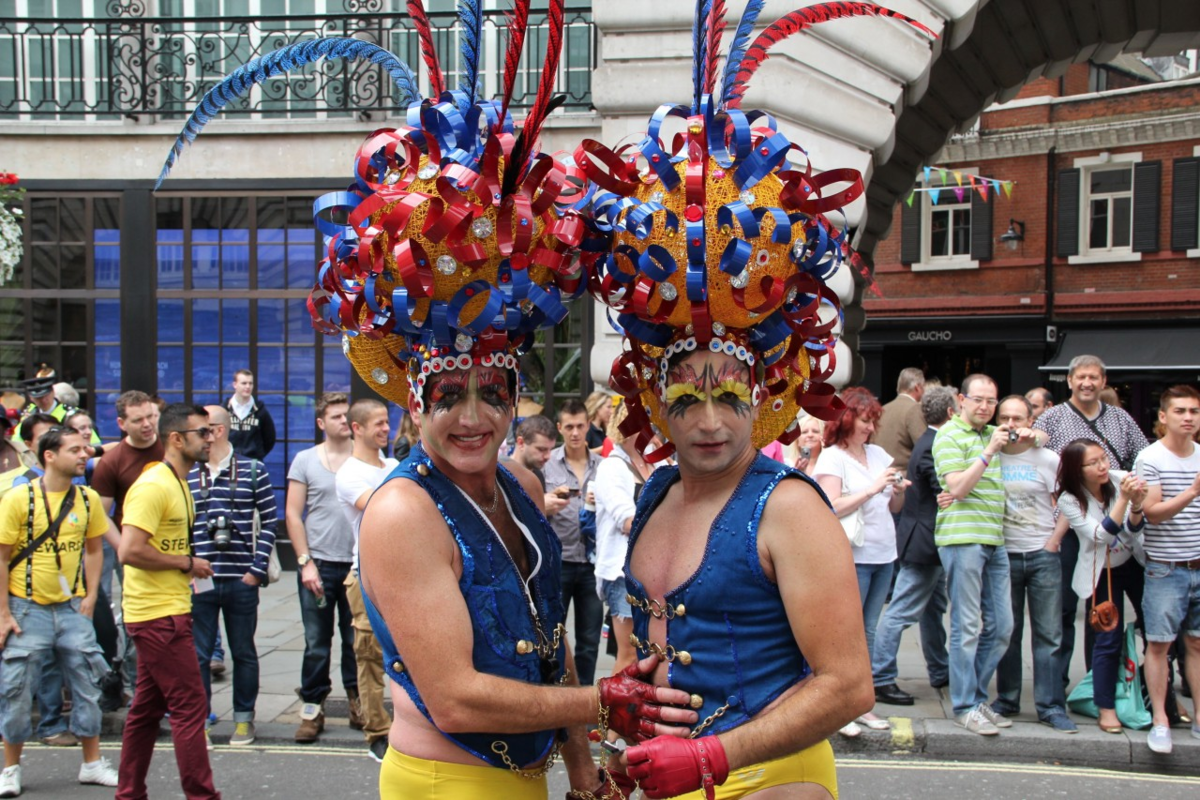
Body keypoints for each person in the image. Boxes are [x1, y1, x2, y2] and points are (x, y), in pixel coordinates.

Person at [0, 427, 119, 795]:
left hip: (71, 608)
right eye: (74, 450)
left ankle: (92, 764)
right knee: (17, 691)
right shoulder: (19, 499)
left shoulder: (86, 499)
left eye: (85, 449)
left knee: (87, 684)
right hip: (27, 608)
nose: (84, 455)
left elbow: (94, 549)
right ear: (48, 456)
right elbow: (2, 557)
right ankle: (10, 770)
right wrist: (4, 613)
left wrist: (90, 596)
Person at [116, 404, 220, 800]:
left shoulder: (179, 482)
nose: (210, 439)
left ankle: (129, 793)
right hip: (158, 617)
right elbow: (129, 551)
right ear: (176, 439)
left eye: (210, 431)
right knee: (190, 708)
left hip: (166, 612)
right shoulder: (154, 485)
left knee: (145, 712)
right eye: (202, 433)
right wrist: (186, 563)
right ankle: (202, 795)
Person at [1035, 355, 1149, 690]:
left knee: (1103, 610)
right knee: (1065, 609)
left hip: (1115, 525)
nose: (1087, 383)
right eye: (1081, 377)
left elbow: (1140, 456)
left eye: (1094, 378)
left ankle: (1096, 681)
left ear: (1103, 382)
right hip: (1071, 524)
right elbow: (1034, 449)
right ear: (1069, 380)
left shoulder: (1120, 418)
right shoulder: (1052, 417)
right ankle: (1057, 682)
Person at [814, 386, 907, 735]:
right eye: (865, 421)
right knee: (846, 634)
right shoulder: (832, 457)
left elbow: (893, 508)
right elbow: (830, 505)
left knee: (868, 631)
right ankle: (842, 707)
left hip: (884, 554)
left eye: (873, 422)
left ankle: (861, 705)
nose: (870, 428)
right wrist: (872, 489)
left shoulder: (880, 454)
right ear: (847, 418)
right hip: (852, 556)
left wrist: (896, 492)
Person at [187, 405, 278, 747]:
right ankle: (201, 722)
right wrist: (186, 565)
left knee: (243, 652)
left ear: (218, 431)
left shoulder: (253, 470)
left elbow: (269, 521)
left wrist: (256, 571)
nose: (196, 436)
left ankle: (244, 720)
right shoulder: (188, 474)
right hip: (200, 580)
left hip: (241, 578)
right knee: (197, 656)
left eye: (201, 430)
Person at [933, 374, 1015, 736]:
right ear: (961, 400)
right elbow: (959, 488)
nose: (985, 407)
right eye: (978, 400)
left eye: (991, 401)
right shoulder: (949, 435)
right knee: (965, 626)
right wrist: (989, 452)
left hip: (994, 539)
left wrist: (1025, 434)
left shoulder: (991, 432)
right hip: (962, 538)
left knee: (1002, 627)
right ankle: (965, 705)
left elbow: (1039, 437)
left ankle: (977, 699)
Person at [991, 395, 1078, 733]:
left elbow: (1070, 500)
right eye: (1006, 418)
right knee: (1007, 632)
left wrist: (1054, 540)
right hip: (1004, 554)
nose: (1011, 425)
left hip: (1042, 554)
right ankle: (1008, 699)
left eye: (1018, 418)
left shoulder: (1047, 458)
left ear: (1030, 421)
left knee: (1049, 634)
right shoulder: (990, 454)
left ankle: (1050, 706)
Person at [1057, 438, 1148, 735]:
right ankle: (1105, 705)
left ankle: (1152, 697)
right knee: (1107, 639)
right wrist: (1124, 499)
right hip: (1101, 572)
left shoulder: (1122, 478)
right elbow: (1100, 536)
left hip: (1133, 564)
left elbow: (1135, 528)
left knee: (1156, 631)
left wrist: (1136, 504)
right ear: (1076, 469)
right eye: (1093, 462)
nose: (1103, 466)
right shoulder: (1069, 499)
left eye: (1104, 459)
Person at [285, 392, 361, 743]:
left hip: (357, 567)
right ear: (321, 423)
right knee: (317, 642)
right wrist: (305, 563)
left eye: (347, 415)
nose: (343, 421)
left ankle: (358, 703)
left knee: (355, 639)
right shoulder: (305, 460)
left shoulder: (365, 460)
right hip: (319, 565)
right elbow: (292, 514)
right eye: (336, 417)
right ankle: (312, 709)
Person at [872, 386, 956, 706]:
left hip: (924, 539)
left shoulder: (929, 442)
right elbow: (945, 490)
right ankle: (880, 677)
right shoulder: (934, 445)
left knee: (933, 611)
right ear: (951, 413)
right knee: (901, 612)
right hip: (924, 543)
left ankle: (939, 668)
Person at [1137, 385, 1200, 754]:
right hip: (1165, 567)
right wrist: (1192, 493)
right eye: (1180, 411)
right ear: (1163, 417)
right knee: (1159, 644)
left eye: (1193, 411)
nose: (1188, 417)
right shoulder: (1151, 458)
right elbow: (1152, 514)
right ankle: (1161, 720)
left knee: (1195, 643)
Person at [336, 398, 399, 763]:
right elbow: (381, 508)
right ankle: (377, 731)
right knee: (370, 656)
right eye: (377, 423)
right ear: (356, 428)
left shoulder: (392, 465)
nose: (385, 428)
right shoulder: (349, 474)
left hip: (402, 575)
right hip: (367, 576)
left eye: (386, 422)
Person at [543, 399, 604, 688]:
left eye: (580, 426)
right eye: (569, 427)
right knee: (554, 637)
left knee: (589, 641)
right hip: (560, 561)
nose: (576, 433)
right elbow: (532, 508)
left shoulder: (604, 466)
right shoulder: (547, 463)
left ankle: (587, 709)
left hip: (593, 564)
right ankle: (557, 704)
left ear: (589, 425)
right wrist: (546, 504)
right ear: (560, 428)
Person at [593, 400, 649, 677]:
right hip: (622, 572)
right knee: (628, 655)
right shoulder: (611, 468)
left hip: (653, 571)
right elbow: (627, 521)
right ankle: (612, 719)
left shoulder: (657, 461)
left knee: (650, 653)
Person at [875, 367, 928, 473]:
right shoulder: (914, 409)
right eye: (924, 387)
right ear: (917, 388)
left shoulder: (883, 409)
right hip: (902, 478)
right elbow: (923, 446)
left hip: (879, 475)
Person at [224, 369, 276, 461]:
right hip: (228, 462)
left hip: (253, 463)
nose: (248, 386)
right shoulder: (224, 409)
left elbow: (270, 438)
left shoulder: (260, 410)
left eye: (250, 383)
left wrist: (257, 455)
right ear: (235, 385)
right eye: (244, 383)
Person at [505, 414, 557, 490]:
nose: (548, 456)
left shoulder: (538, 475)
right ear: (521, 443)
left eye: (550, 449)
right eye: (541, 449)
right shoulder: (501, 475)